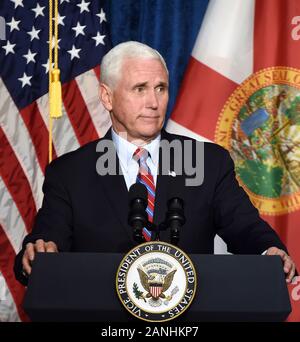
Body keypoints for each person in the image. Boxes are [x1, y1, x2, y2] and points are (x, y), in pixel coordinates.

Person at [14, 41, 295, 285]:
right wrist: (38, 250)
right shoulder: (69, 173)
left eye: (160, 88)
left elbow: (244, 228)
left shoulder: (209, 163)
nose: (153, 102)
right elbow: (47, 237)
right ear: (107, 97)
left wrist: (268, 252)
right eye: (139, 89)